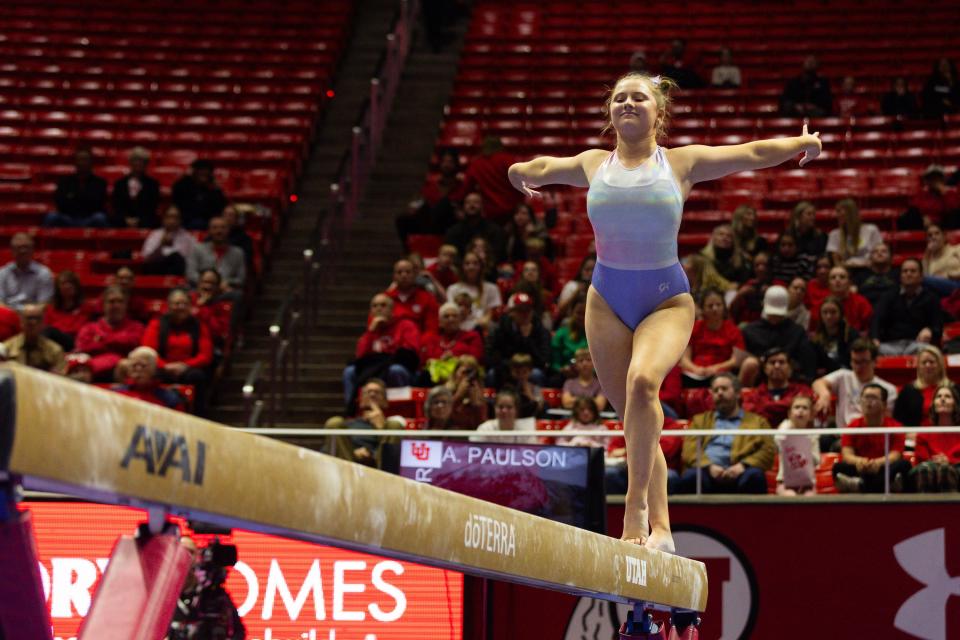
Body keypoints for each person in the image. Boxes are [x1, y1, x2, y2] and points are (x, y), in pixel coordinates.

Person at [507, 70, 822, 549]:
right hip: (605, 301)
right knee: (636, 418)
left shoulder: (680, 163)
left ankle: (636, 514)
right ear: (609, 112)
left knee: (642, 384)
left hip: (665, 299)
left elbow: (752, 153)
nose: (628, 104)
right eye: (619, 99)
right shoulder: (594, 163)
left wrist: (800, 143)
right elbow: (544, 167)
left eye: (639, 98)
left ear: (659, 111)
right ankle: (665, 530)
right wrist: (518, 172)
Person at [676, 372, 776, 494]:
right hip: (707, 472)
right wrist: (709, 466)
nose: (719, 393)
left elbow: (768, 450)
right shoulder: (700, 420)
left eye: (724, 388)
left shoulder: (758, 422)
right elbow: (690, 450)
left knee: (755, 476)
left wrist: (743, 466)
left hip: (742, 472)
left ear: (738, 393)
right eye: (716, 390)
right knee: (691, 476)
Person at [140, 289, 214, 415]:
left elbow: (205, 355)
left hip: (188, 369)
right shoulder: (156, 324)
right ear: (168, 305)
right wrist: (165, 366)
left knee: (198, 377)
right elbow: (148, 351)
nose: (180, 307)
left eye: (184, 304)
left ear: (190, 306)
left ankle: (197, 416)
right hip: (162, 368)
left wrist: (185, 365)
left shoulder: (199, 326)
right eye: (176, 303)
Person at [342, 293, 420, 412]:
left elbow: (410, 354)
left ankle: (399, 410)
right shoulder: (371, 330)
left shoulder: (406, 325)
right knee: (349, 372)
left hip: (398, 369)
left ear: (392, 309)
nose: (379, 308)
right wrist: (370, 333)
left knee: (396, 370)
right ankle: (353, 412)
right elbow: (360, 356)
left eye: (383, 305)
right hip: (374, 370)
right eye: (375, 306)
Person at [832, 384, 911, 493]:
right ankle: (886, 485)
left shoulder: (895, 427)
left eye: (873, 398)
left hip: (884, 467)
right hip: (861, 468)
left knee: (904, 465)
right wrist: (860, 461)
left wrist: (877, 463)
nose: (868, 402)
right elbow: (847, 454)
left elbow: (895, 454)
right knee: (838, 467)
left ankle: (860, 486)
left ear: (884, 404)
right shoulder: (852, 426)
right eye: (865, 397)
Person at [812, 337, 898, 433]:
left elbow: (885, 421)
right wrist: (825, 394)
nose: (858, 367)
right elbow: (817, 383)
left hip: (871, 436)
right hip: (843, 435)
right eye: (855, 361)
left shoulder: (888, 389)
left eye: (863, 362)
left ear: (874, 362)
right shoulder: (843, 376)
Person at [740, 285, 817, 385]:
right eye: (772, 314)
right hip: (758, 382)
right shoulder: (750, 331)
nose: (775, 318)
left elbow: (807, 364)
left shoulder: (797, 332)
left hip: (790, 382)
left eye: (778, 315)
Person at [326, 379, 405, 468]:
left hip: (380, 466)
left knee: (394, 424)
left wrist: (381, 427)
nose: (372, 395)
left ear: (385, 401)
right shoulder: (347, 424)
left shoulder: (392, 424)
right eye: (368, 392)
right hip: (348, 462)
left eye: (377, 392)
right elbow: (327, 449)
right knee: (334, 422)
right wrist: (354, 452)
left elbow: (401, 453)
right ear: (361, 400)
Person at [871, 258, 943, 355]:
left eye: (913, 271)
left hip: (918, 345)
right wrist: (875, 339)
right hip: (890, 345)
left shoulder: (932, 298)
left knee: (928, 352)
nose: (908, 274)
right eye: (905, 271)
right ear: (900, 276)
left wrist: (930, 330)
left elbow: (938, 325)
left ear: (921, 276)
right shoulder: (888, 296)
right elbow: (876, 320)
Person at [397, 148, 466, 249]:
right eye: (444, 162)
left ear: (456, 164)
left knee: (444, 204)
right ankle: (408, 250)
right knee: (402, 219)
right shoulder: (431, 185)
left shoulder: (462, 187)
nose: (446, 165)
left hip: (451, 225)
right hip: (429, 223)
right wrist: (413, 207)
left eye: (450, 162)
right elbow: (417, 202)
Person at [74, 285, 145, 382]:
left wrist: (102, 340)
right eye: (111, 302)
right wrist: (117, 343)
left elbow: (133, 344)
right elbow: (83, 347)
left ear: (126, 305)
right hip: (93, 371)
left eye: (120, 301)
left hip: (124, 371)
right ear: (103, 305)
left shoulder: (137, 327)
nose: (116, 306)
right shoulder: (89, 328)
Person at [485, 292, 551, 387]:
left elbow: (543, 360)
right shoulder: (500, 329)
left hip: (530, 370)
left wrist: (527, 339)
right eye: (520, 311)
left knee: (537, 375)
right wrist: (513, 367)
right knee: (492, 374)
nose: (525, 315)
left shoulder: (540, 331)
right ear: (511, 313)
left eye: (528, 310)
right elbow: (491, 356)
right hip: (505, 369)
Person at [680, 287, 744, 386]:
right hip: (695, 373)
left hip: (722, 374)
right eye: (710, 306)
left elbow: (735, 360)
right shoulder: (695, 328)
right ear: (703, 309)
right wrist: (695, 369)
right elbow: (684, 360)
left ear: (724, 307)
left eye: (718, 305)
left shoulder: (733, 330)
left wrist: (716, 368)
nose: (715, 309)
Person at [742, 347, 814, 427]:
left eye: (781, 362)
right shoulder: (753, 395)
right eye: (772, 362)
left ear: (790, 368)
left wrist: (766, 407)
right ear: (765, 368)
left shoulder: (803, 391)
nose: (777, 366)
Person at [910, 383, 960, 492]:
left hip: (956, 469)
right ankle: (924, 507)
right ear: (933, 404)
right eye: (939, 396)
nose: (942, 399)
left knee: (945, 470)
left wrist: (949, 461)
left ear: (955, 404)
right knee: (925, 469)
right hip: (929, 469)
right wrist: (936, 462)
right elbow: (919, 459)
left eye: (947, 396)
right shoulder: (924, 432)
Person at [462, 136, 522, 224]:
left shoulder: (476, 164)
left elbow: (466, 188)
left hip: (488, 213)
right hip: (511, 211)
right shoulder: (508, 159)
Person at [420, 302, 484, 384]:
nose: (451, 319)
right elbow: (424, 361)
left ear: (460, 320)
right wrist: (441, 360)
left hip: (464, 377)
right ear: (440, 321)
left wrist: (454, 358)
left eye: (455, 316)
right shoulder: (430, 338)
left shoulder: (472, 336)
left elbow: (475, 358)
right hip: (434, 380)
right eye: (446, 316)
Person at [44, 148, 109, 228]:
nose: (82, 163)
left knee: (100, 218)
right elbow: (60, 202)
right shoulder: (65, 181)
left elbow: (98, 204)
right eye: (79, 159)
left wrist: (73, 197)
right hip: (68, 218)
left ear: (91, 162)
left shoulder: (100, 183)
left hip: (89, 218)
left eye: (85, 159)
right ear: (75, 162)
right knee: (52, 217)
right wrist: (84, 199)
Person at [112, 346, 186, 411]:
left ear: (154, 369)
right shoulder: (115, 394)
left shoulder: (170, 400)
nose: (138, 369)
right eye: (134, 365)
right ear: (128, 370)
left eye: (143, 365)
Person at [893, 345, 951, 428]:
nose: (928, 365)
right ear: (918, 366)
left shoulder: (952, 389)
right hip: (915, 438)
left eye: (931, 362)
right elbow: (898, 421)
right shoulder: (908, 391)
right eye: (924, 362)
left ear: (940, 365)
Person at [445, 251, 502, 332]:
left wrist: (476, 325)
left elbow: (491, 315)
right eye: (467, 263)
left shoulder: (492, 288)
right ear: (462, 267)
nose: (471, 267)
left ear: (481, 266)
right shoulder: (453, 289)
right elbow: (451, 313)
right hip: (458, 329)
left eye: (475, 263)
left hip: (482, 329)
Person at [775, 395, 820, 496]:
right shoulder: (784, 428)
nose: (800, 410)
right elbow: (778, 442)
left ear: (811, 415)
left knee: (810, 497)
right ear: (790, 413)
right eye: (797, 407)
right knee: (790, 496)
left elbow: (817, 461)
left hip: (807, 483)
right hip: (784, 482)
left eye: (805, 408)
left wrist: (805, 450)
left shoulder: (813, 435)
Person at [186, 217, 246, 292]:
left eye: (223, 227)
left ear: (228, 230)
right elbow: (190, 273)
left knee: (237, 295)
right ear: (209, 230)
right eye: (215, 227)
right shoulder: (198, 249)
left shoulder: (238, 253)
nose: (219, 231)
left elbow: (240, 279)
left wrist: (225, 283)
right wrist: (209, 283)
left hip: (225, 291)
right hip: (200, 289)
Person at [443, 192, 506, 260]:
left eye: (476, 202)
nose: (472, 205)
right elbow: (450, 254)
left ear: (482, 206)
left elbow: (498, 254)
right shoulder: (453, 231)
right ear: (463, 206)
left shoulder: (494, 230)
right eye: (468, 202)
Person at [826, 198, 882, 274]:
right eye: (837, 211)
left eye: (839, 211)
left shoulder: (871, 230)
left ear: (850, 212)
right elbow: (836, 262)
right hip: (846, 273)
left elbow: (878, 256)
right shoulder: (834, 235)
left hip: (869, 271)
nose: (837, 215)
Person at [3, 304, 64, 372]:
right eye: (29, 318)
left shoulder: (55, 351)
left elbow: (62, 379)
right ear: (21, 322)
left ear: (43, 323)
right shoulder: (6, 348)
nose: (33, 322)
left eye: (37, 318)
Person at [810, 266, 873, 333]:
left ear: (849, 282)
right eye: (833, 277)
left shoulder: (861, 302)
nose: (837, 280)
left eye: (842, 277)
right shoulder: (820, 305)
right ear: (828, 283)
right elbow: (813, 332)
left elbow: (869, 328)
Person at [42, 270, 94, 352]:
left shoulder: (87, 308)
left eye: (70, 283)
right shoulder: (51, 309)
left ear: (76, 286)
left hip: (76, 342)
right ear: (58, 288)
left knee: (49, 331)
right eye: (63, 283)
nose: (67, 286)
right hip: (54, 344)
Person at [0, 233, 54, 310]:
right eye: (19, 247)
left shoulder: (43, 273)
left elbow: (44, 303)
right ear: (12, 250)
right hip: (8, 317)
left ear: (32, 249)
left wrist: (27, 313)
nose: (23, 251)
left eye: (26, 247)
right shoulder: (2, 273)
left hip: (34, 317)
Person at [386, 258, 439, 335]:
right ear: (394, 276)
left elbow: (432, 330)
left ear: (415, 275)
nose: (404, 275)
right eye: (399, 272)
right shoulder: (385, 299)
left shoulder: (428, 298)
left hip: (419, 344)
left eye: (408, 272)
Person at [141, 205, 198, 276]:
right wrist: (161, 245)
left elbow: (192, 259)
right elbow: (146, 258)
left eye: (176, 217)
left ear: (180, 219)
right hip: (157, 270)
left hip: (179, 271)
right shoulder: (155, 235)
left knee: (176, 257)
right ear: (163, 219)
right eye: (169, 217)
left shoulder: (187, 237)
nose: (172, 221)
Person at [172, 159, 228, 230]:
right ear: (194, 172)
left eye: (206, 172)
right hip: (186, 222)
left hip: (208, 223)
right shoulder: (183, 186)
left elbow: (221, 207)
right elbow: (177, 200)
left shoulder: (213, 190)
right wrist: (187, 176)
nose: (204, 174)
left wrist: (217, 189)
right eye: (200, 171)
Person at [111, 147, 160, 228]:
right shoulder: (119, 184)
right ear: (130, 162)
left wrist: (139, 220)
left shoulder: (153, 184)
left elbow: (152, 207)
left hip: (145, 221)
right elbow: (116, 206)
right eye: (135, 160)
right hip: (122, 221)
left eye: (142, 161)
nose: (138, 163)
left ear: (146, 163)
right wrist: (126, 219)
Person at [811, 296, 860, 374]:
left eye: (833, 312)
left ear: (841, 314)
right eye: (825, 312)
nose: (829, 316)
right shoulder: (816, 338)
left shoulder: (851, 335)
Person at [729, 250, 781, 325]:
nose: (760, 268)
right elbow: (733, 312)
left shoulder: (778, 286)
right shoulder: (749, 284)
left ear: (770, 266)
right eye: (757, 265)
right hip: (747, 325)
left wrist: (771, 293)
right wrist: (739, 295)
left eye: (764, 265)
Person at [903, 164, 960, 230]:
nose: (934, 181)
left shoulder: (950, 193)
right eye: (932, 178)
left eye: (937, 177)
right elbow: (915, 209)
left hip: (944, 225)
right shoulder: (922, 193)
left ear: (942, 179)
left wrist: (943, 193)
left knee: (955, 214)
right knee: (909, 215)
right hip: (925, 224)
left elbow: (952, 211)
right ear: (927, 180)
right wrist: (923, 217)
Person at [471, 389, 538, 444]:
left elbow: (533, 453)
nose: (504, 411)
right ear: (494, 408)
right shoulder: (485, 429)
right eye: (500, 407)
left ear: (516, 410)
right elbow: (471, 449)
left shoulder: (525, 432)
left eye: (509, 407)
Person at [191, 269, 233, 349]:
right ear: (199, 283)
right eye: (205, 282)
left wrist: (202, 308)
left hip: (212, 345)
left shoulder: (223, 305)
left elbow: (217, 332)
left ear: (218, 286)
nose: (208, 286)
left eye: (212, 283)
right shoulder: (189, 299)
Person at [444, 355, 488, 427]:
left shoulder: (479, 395)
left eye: (472, 374)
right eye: (465, 372)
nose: (468, 377)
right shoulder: (446, 392)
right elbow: (443, 418)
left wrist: (476, 404)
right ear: (455, 373)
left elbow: (482, 426)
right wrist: (459, 396)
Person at [550, 294, 588, 379]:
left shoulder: (595, 336)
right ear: (571, 312)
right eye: (578, 313)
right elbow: (554, 363)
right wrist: (562, 369)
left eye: (585, 313)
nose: (582, 317)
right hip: (564, 377)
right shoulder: (561, 334)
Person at [855, 243, 899, 308]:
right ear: (870, 257)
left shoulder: (898, 274)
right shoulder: (861, 275)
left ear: (891, 256)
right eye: (875, 252)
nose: (879, 253)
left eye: (884, 251)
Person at [503, 352, 546, 418]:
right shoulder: (507, 388)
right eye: (517, 372)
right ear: (511, 371)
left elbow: (540, 408)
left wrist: (530, 396)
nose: (521, 375)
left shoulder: (535, 388)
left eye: (524, 372)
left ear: (530, 371)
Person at [922, 224, 960, 296]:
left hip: (957, 284)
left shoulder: (957, 249)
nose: (933, 237)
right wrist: (927, 253)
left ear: (944, 236)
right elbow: (926, 275)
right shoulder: (929, 258)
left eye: (937, 233)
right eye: (930, 235)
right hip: (938, 289)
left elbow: (924, 279)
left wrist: (953, 275)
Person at [556, 254, 596, 320]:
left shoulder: (601, 289)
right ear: (581, 270)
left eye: (593, 270)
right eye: (587, 269)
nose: (590, 273)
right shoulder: (572, 286)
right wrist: (577, 291)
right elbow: (561, 309)